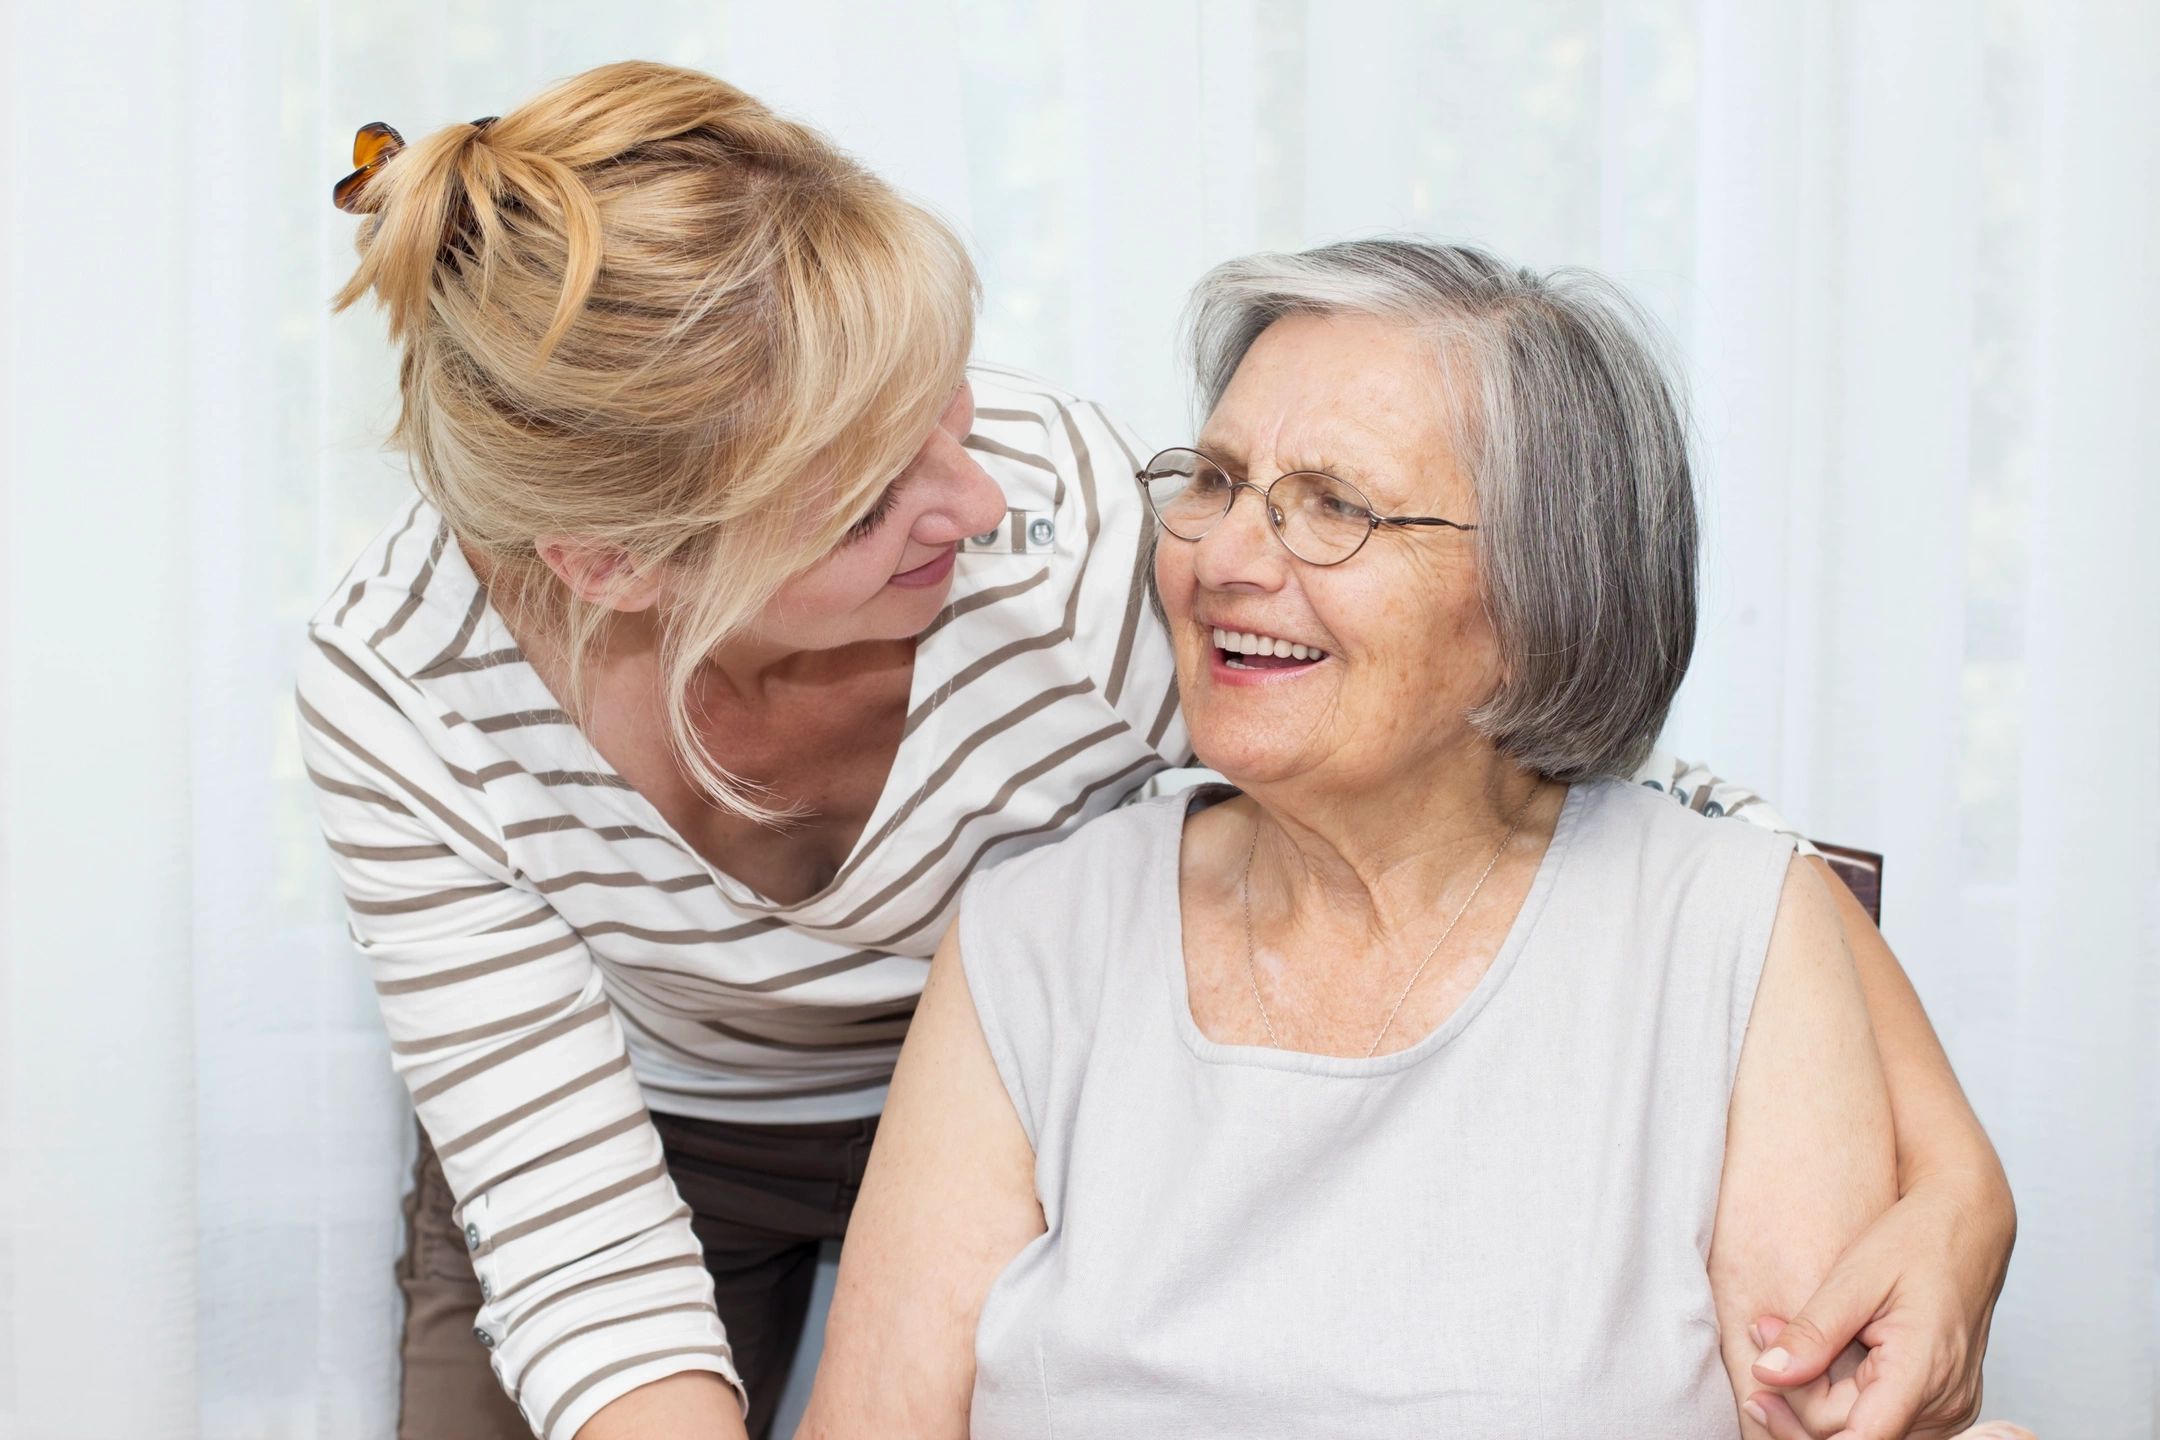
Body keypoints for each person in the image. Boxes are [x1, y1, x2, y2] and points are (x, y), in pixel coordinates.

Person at [301, 62, 2010, 1440]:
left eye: (950, 416)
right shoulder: (404, 685)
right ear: (629, 572)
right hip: (656, 1118)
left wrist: (1957, 1187)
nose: (971, 506)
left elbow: (1595, 772)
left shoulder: (1075, 548)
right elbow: (580, 1246)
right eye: (873, 495)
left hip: (1004, 1084)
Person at [797, 241, 2027, 1439]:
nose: (1224, 557)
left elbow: (1816, 1415)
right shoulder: (1033, 939)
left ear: (1542, 597)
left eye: (1335, 506)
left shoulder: (1731, 933)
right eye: (1215, 482)